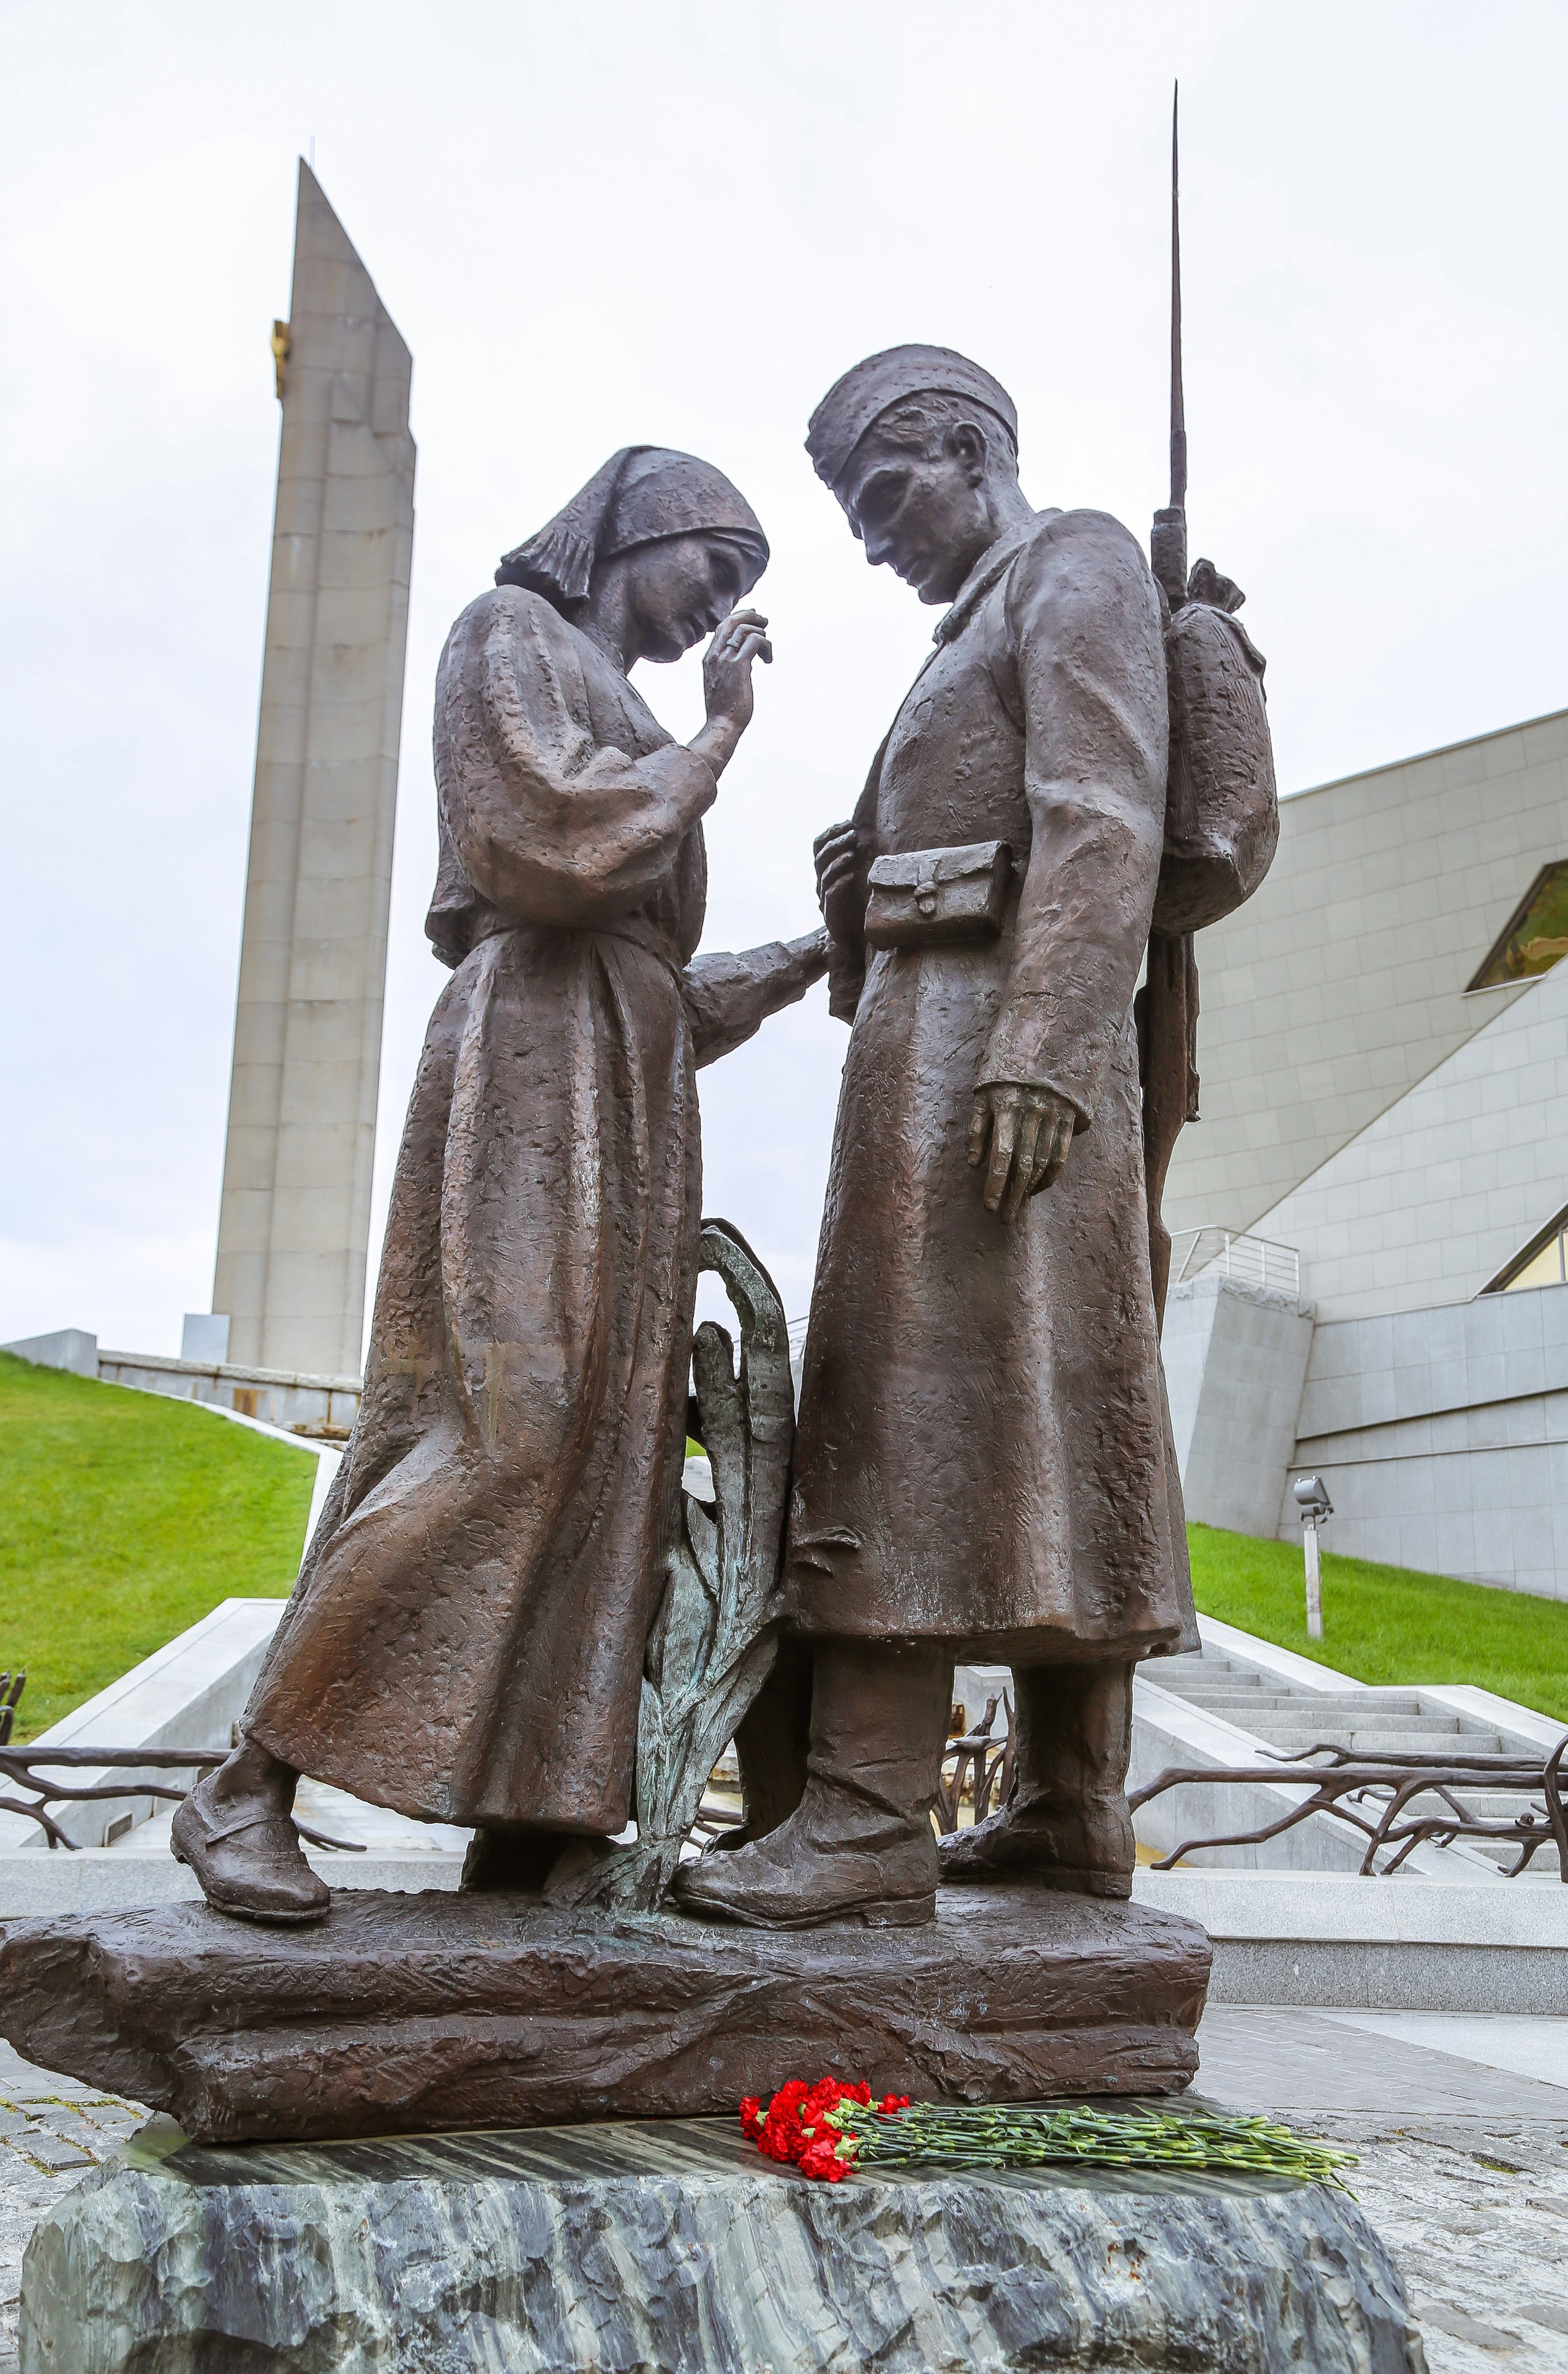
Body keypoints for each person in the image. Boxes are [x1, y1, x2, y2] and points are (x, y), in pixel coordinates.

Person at [175, 445, 828, 1923]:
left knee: (612, 1451)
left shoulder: (632, 727)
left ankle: (536, 1813)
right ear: (632, 533)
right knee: (506, 1422)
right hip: (533, 1053)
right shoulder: (509, 636)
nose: (715, 605)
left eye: (738, 586)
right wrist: (719, 738)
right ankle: (246, 1781)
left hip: (626, 1077)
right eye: (710, 567)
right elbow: (548, 851)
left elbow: (657, 983)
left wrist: (809, 951)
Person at [677, 349, 1196, 1932]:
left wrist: (1041, 1046)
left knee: (911, 1409)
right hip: (939, 1029)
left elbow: (1104, 812)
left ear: (967, 447)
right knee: (1040, 1415)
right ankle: (1069, 1805)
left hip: (992, 1050)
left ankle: (863, 1813)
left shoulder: (1073, 563)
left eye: (881, 492)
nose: (869, 535)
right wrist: (859, 903)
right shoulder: (973, 623)